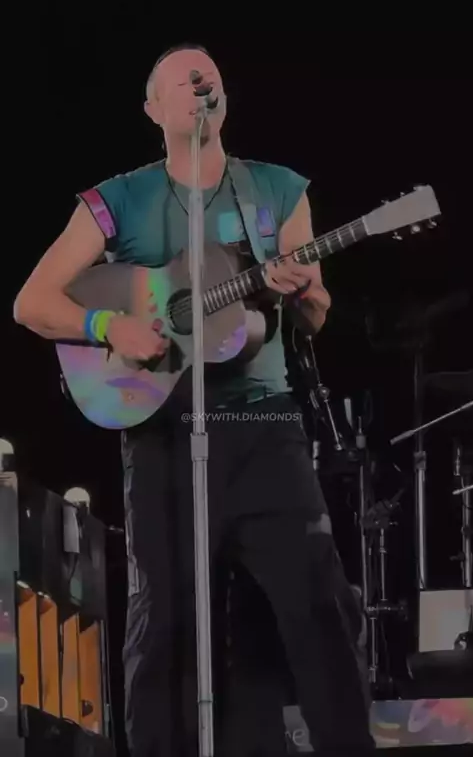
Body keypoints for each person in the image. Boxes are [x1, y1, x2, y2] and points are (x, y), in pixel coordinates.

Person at [14, 45, 375, 757]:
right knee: (164, 622)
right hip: (164, 432)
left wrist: (305, 292)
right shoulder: (119, 198)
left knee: (320, 605)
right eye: (183, 79)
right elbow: (32, 302)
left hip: (263, 422)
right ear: (153, 109)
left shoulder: (276, 190)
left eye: (209, 77)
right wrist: (108, 324)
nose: (201, 85)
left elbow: (314, 317)